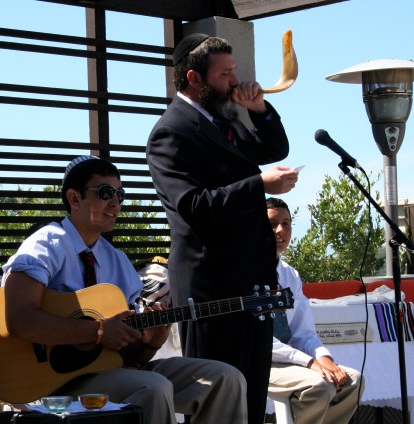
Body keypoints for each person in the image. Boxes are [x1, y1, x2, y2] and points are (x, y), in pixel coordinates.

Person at [1, 155, 247, 424]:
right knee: (152, 388)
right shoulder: (46, 244)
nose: (115, 203)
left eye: (120, 194)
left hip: (109, 373)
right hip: (54, 383)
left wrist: (150, 344)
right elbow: (19, 319)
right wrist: (98, 331)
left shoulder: (116, 260)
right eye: (105, 193)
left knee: (225, 378)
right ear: (74, 198)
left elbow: (127, 357)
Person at [146, 33, 299, 424]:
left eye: (235, 71)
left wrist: (260, 109)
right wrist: (259, 185)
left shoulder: (226, 120)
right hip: (212, 291)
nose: (235, 81)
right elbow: (193, 206)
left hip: (252, 284)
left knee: (250, 400)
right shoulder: (171, 132)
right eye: (225, 73)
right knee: (219, 403)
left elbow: (274, 149)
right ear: (195, 78)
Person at [266, 197, 364, 424]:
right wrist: (310, 362)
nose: (280, 230)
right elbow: (259, 339)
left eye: (286, 223)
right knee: (319, 386)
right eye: (272, 224)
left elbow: (303, 332)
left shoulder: (290, 275)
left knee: (352, 381)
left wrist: (323, 357)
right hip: (258, 360)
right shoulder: (243, 274)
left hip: (290, 359)